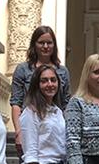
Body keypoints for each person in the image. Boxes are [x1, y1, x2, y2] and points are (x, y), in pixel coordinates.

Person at [10, 25, 71, 155]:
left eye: (49, 43)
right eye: (41, 42)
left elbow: (66, 104)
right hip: (30, 127)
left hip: (54, 129)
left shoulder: (63, 71)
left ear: (54, 45)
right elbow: (16, 103)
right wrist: (19, 131)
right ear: (34, 45)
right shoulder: (22, 69)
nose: (45, 46)